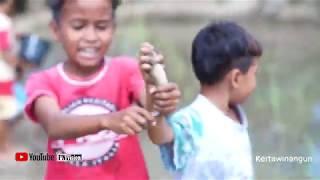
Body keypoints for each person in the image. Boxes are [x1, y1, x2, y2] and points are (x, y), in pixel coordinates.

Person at [24, 0, 180, 179]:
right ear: (56, 30)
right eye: (78, 26)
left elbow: (151, 108)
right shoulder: (43, 81)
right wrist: (106, 121)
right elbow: (54, 124)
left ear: (113, 28)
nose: (91, 37)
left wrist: (157, 91)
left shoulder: (127, 70)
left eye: (101, 26)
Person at [148, 21, 263, 179]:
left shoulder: (236, 116)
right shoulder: (191, 121)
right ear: (236, 78)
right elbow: (160, 135)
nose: (255, 83)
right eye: (254, 74)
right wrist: (155, 104)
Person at [0, 0, 19, 159]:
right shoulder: (4, 21)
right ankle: (4, 148)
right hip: (3, 75)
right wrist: (19, 64)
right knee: (4, 113)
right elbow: (5, 50)